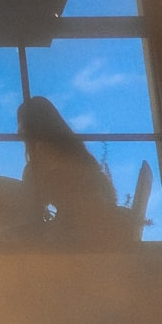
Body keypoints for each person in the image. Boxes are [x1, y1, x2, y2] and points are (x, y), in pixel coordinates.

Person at [8, 96, 126, 246]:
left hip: (81, 237)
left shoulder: (42, 162)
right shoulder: (77, 154)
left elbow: (30, 202)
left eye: (21, 123)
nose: (18, 131)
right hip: (98, 231)